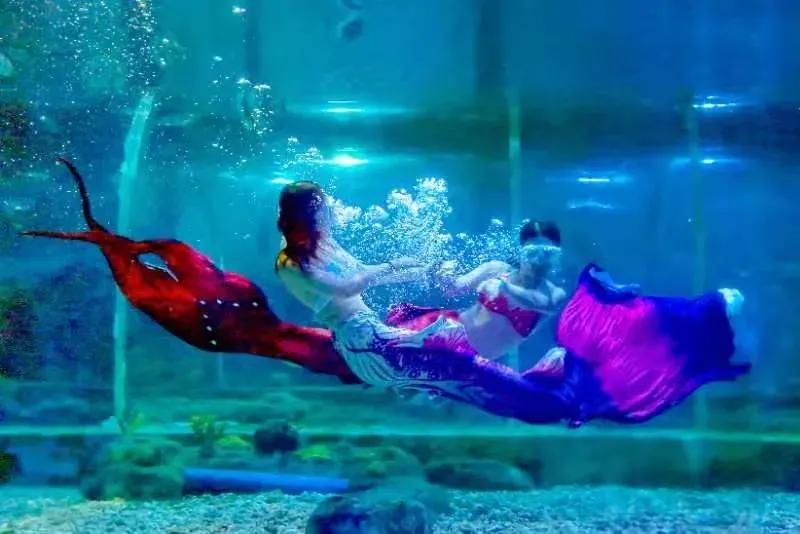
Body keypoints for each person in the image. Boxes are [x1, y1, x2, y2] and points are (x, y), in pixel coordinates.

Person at [26, 162, 750, 427]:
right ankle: (588, 385)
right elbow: (345, 289)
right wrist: (398, 270)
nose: (338, 212)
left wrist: (427, 271)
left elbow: (394, 276)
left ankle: (587, 380)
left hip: (391, 336)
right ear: (309, 215)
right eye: (328, 206)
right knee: (471, 370)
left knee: (482, 375)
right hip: (371, 344)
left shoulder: (324, 245)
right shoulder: (293, 262)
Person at [386, 220, 567, 363]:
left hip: (473, 361)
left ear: (556, 257)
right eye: (532, 252)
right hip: (445, 331)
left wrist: (504, 287)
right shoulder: (496, 270)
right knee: (387, 357)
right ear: (521, 251)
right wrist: (441, 273)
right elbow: (454, 289)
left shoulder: (554, 295)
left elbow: (536, 302)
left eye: (547, 253)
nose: (538, 260)